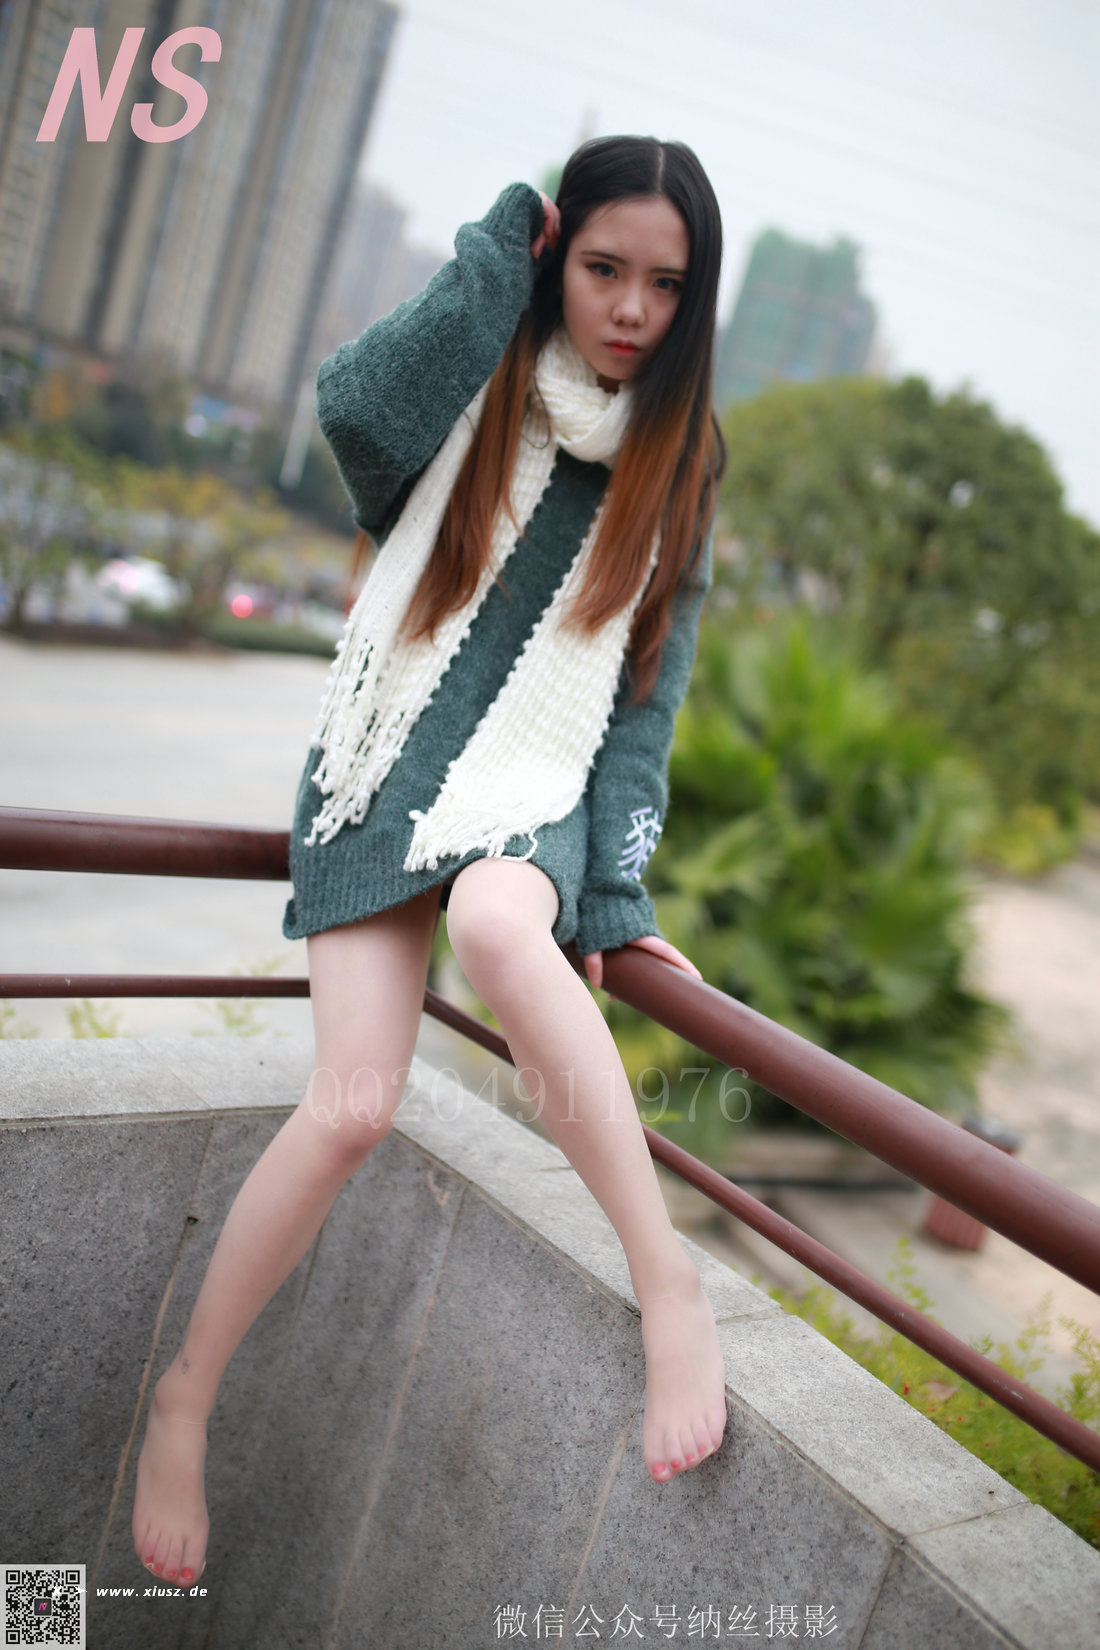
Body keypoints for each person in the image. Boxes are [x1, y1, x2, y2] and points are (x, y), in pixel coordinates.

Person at [132, 134, 728, 1590]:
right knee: (350, 1108)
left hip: (533, 785)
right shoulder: (476, 374)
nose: (631, 308)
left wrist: (619, 899)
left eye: (664, 283)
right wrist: (496, 249)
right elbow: (355, 410)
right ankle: (185, 1397)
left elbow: (643, 708)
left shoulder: (684, 467)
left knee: (509, 932)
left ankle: (667, 1281)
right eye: (602, 268)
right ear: (556, 259)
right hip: (382, 761)